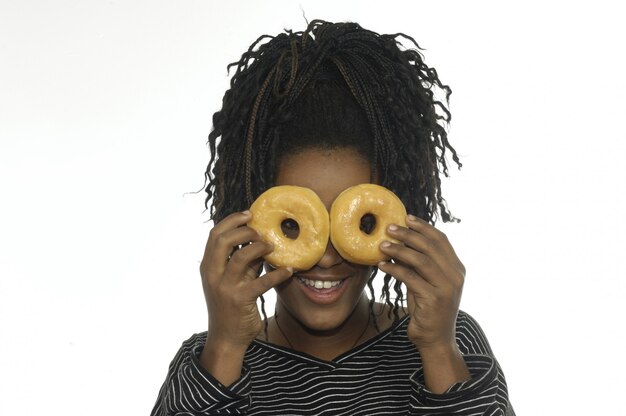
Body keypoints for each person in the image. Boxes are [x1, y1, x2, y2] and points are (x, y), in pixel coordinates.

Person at [151, 20, 515, 415]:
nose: (326, 257)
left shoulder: (451, 339)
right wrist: (224, 346)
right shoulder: (209, 364)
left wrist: (438, 349)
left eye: (357, 222)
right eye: (293, 224)